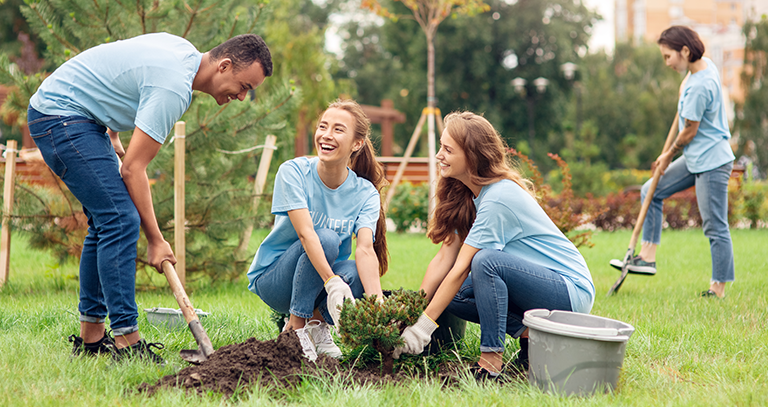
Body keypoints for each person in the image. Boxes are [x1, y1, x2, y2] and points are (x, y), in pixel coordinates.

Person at [27, 33, 273, 363]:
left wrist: (112, 129)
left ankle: (91, 341)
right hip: (62, 116)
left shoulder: (183, 52)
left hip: (78, 115)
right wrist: (156, 241)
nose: (243, 96)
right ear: (224, 65)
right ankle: (128, 344)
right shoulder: (173, 87)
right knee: (119, 219)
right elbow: (133, 170)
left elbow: (119, 64)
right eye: (243, 86)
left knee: (105, 223)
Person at [392, 112, 595, 380]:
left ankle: (490, 360)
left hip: (569, 291)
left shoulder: (498, 197)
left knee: (486, 262)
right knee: (451, 294)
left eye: (447, 149)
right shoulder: (468, 194)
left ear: (472, 156)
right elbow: (445, 259)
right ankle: (531, 338)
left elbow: (462, 267)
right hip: (538, 289)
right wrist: (411, 312)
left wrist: (423, 328)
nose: (439, 155)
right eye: (441, 146)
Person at [246, 99, 388, 360]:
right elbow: (306, 234)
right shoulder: (294, 171)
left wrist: (379, 308)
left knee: (357, 273)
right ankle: (295, 329)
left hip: (319, 281)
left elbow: (366, 250)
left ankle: (317, 325)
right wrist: (332, 281)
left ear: (357, 144)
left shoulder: (365, 192)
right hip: (276, 280)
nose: (326, 135)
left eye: (338, 129)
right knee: (326, 237)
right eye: (323, 126)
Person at [610, 26, 735, 298]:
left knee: (715, 225)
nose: (666, 63)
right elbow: (683, 116)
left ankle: (719, 288)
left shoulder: (700, 85)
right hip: (695, 158)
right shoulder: (699, 70)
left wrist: (668, 154)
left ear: (685, 51)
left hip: (712, 161)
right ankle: (647, 256)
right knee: (650, 190)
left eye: (668, 57)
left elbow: (689, 130)